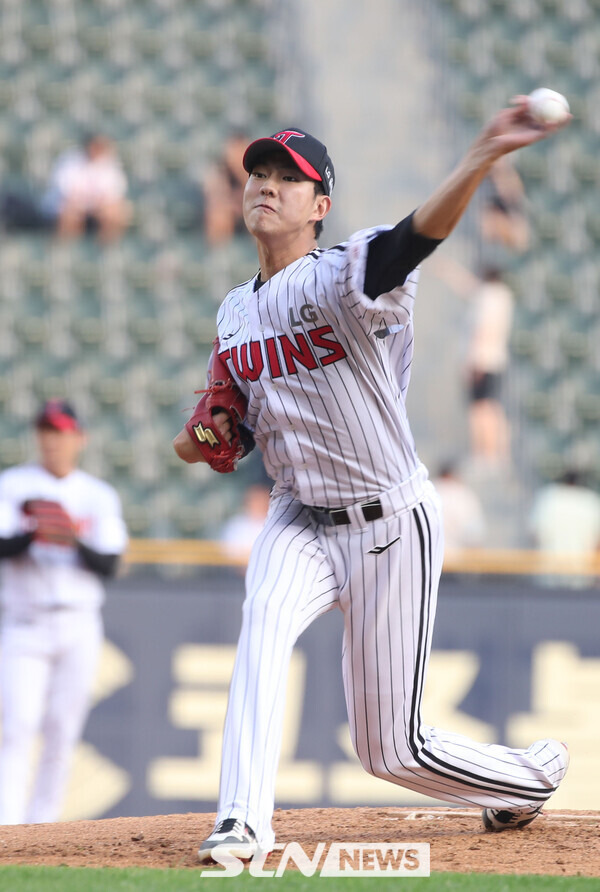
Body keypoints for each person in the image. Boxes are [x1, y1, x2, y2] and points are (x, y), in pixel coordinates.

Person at [173, 100, 571, 861]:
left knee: (390, 750)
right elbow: (224, 435)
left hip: (390, 520)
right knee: (262, 624)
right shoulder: (232, 313)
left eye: (288, 178)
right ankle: (242, 820)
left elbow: (413, 239)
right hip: (298, 517)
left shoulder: (342, 277)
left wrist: (481, 156)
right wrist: (202, 442)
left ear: (320, 205)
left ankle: (524, 781)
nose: (266, 184)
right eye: (258, 172)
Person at [0, 400, 128, 825]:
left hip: (78, 624)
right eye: (45, 432)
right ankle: (8, 827)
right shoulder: (13, 485)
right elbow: (3, 545)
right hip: (25, 622)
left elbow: (109, 563)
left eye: (60, 432)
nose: (52, 441)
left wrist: (69, 535)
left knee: (62, 730)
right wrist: (36, 530)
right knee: (17, 727)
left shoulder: (97, 494)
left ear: (80, 438)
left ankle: (44, 827)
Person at [40, 133, 132, 244]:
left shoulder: (109, 163)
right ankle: (66, 249)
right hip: (66, 206)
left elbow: (114, 195)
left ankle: (108, 252)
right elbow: (67, 194)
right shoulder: (70, 161)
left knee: (116, 212)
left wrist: (99, 205)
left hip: (94, 207)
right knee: (70, 212)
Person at [529, 469, 600, 588]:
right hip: (581, 577)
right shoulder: (591, 500)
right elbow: (597, 544)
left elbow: (534, 535)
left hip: (548, 575)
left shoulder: (548, 497)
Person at [202, 129, 250, 246]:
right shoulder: (220, 171)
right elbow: (214, 196)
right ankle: (220, 254)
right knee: (219, 213)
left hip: (250, 218)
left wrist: (241, 172)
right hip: (232, 217)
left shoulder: (255, 170)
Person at [432, 461, 487, 553]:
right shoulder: (464, 494)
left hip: (430, 559)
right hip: (458, 561)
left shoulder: (429, 491)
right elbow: (475, 538)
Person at [220, 483, 272, 563]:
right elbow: (229, 555)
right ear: (247, 501)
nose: (259, 504)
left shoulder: (276, 524)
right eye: (255, 500)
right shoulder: (236, 524)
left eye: (263, 499)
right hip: (236, 572)